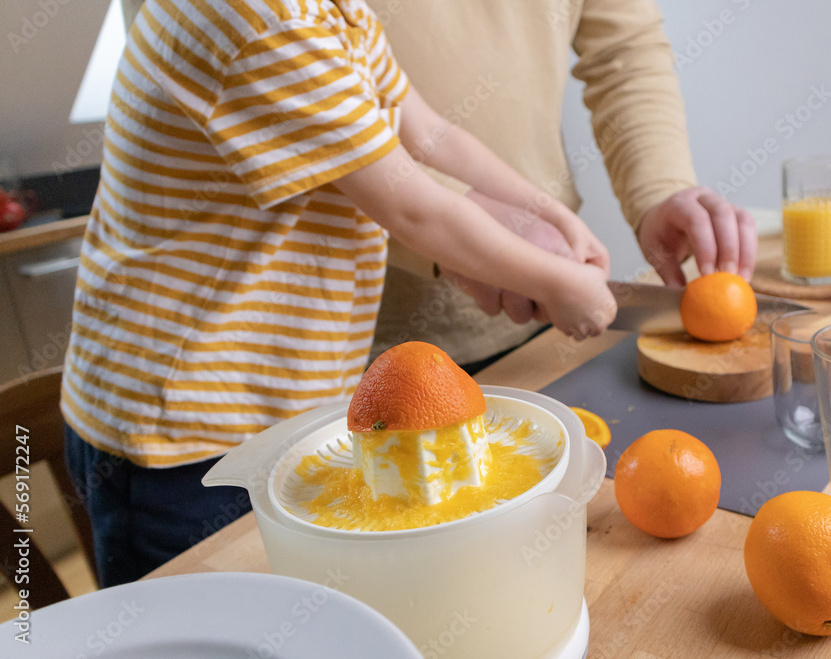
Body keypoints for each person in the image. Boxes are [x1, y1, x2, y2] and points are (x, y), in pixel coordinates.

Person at [63, 0, 616, 587]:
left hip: (268, 408)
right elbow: (413, 207)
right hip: (181, 433)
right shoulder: (259, 21)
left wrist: (549, 215)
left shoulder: (329, 8)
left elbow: (430, 135)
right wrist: (558, 283)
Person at [366, 0, 758, 370]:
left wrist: (657, 190)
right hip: (360, 340)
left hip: (546, 313)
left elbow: (623, 51)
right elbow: (330, 133)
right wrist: (484, 242)